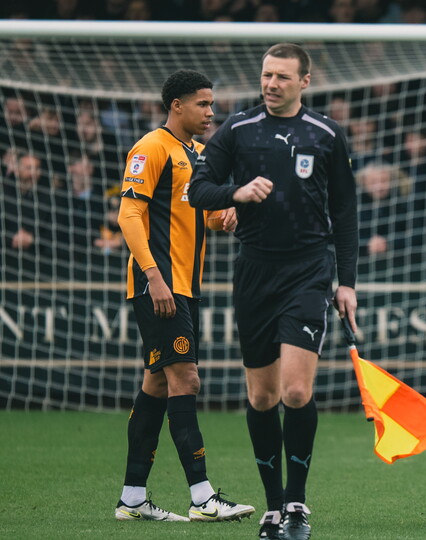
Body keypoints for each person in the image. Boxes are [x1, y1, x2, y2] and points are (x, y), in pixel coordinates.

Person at [188, 43, 359, 540]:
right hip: (255, 273)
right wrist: (235, 193)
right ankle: (272, 509)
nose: (271, 84)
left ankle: (298, 507)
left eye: (282, 77)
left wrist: (345, 281)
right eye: (266, 75)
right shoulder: (237, 130)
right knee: (262, 398)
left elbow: (346, 214)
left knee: (296, 390)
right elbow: (197, 190)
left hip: (309, 270)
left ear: (305, 81)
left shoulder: (326, 134)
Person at [114, 69, 252, 523]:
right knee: (186, 380)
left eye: (212, 104)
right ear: (177, 105)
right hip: (161, 284)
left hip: (184, 285)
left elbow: (196, 214)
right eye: (203, 104)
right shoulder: (151, 147)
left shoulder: (197, 153)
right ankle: (203, 497)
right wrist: (153, 276)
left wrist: (222, 217)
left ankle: (133, 499)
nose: (211, 112)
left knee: (157, 383)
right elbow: (130, 215)